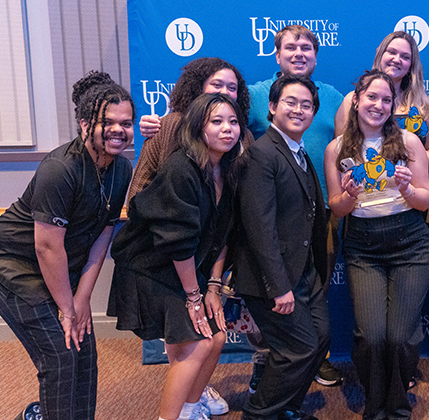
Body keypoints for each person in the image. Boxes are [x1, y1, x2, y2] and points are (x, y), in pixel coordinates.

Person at [0, 71, 134, 420]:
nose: (119, 130)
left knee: (82, 347)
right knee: (59, 353)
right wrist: (67, 310)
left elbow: (102, 236)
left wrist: (81, 302)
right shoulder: (61, 168)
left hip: (58, 270)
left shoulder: (121, 169)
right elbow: (46, 248)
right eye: (107, 122)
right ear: (84, 125)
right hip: (11, 265)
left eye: (126, 123)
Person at [109, 93, 243, 420]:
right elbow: (178, 242)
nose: (228, 129)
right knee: (196, 343)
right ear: (198, 127)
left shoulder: (228, 168)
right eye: (217, 121)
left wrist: (212, 288)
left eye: (233, 121)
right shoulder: (181, 168)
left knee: (217, 337)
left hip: (184, 269)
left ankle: (189, 405)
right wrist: (194, 296)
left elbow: (223, 235)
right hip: (150, 266)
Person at [325, 70, 429, 419]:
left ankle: (397, 408)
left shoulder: (409, 142)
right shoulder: (337, 148)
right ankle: (375, 405)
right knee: (371, 337)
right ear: (357, 100)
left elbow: (425, 201)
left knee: (400, 337)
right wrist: (349, 195)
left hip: (410, 242)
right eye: (372, 97)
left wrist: (406, 189)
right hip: (363, 246)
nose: (379, 105)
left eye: (386, 99)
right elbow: (338, 208)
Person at [246, 24, 344, 390]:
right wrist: (167, 124)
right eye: (291, 47)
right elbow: (212, 119)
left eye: (307, 47)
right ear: (277, 54)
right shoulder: (254, 95)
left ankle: (313, 359)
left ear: (316, 56)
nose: (299, 53)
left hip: (322, 216)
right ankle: (268, 363)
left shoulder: (333, 97)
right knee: (275, 291)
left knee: (313, 291)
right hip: (273, 215)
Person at [233, 75, 329, 420]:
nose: (299, 110)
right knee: (297, 349)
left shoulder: (299, 152)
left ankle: (287, 410)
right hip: (273, 280)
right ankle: (258, 415)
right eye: (290, 102)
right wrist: (279, 287)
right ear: (272, 107)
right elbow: (260, 228)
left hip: (305, 273)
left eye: (306, 105)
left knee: (319, 340)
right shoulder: (261, 154)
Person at [130, 57, 253, 200]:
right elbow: (138, 192)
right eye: (217, 85)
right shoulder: (167, 126)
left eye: (232, 88)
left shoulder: (243, 135)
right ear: (198, 87)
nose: (225, 92)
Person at [336, 31, 429, 167]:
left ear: (411, 66)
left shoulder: (422, 104)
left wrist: (412, 156)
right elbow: (342, 150)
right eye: (392, 52)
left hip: (414, 183)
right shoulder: (352, 100)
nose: (396, 59)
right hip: (367, 184)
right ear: (380, 54)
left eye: (405, 57)